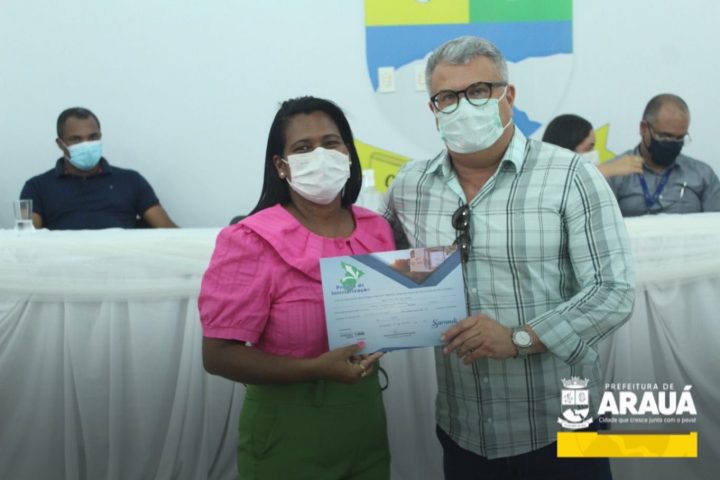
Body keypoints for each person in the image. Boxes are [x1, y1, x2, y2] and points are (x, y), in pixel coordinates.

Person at [385, 36, 635, 479]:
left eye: (479, 91)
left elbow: (613, 292)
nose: (463, 106)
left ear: (509, 95)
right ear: (433, 108)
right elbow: (389, 273)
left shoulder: (570, 175)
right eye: (447, 97)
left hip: (561, 427)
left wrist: (521, 338)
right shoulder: (410, 186)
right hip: (464, 429)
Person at [198, 96, 394, 479]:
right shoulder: (250, 240)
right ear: (281, 166)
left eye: (331, 143)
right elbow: (217, 356)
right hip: (286, 431)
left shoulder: (377, 230)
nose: (320, 156)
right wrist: (313, 369)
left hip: (365, 422)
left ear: (348, 153)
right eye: (303, 148)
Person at [19, 107, 177, 229]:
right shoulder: (35, 187)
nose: (86, 145)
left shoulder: (132, 180)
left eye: (93, 137)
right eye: (76, 139)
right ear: (60, 144)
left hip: (122, 260)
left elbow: (170, 232)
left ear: (100, 136)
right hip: (62, 261)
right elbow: (23, 241)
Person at [605, 94, 720, 216]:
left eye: (680, 138)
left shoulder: (703, 175)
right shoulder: (614, 173)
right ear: (644, 128)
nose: (673, 143)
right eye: (666, 136)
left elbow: (716, 224)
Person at [542, 113, 644, 178]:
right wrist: (609, 169)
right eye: (589, 147)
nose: (594, 153)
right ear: (566, 148)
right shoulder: (543, 180)